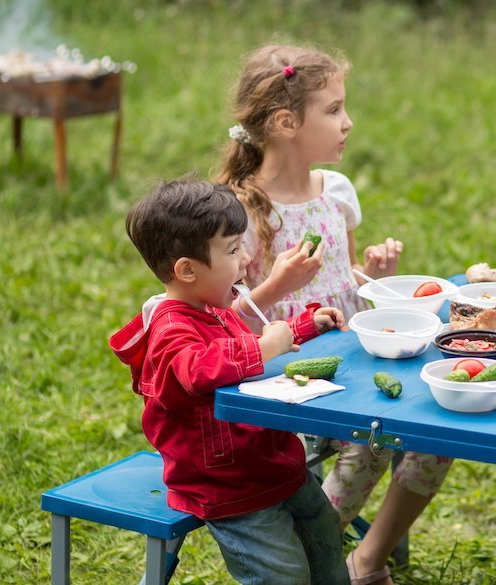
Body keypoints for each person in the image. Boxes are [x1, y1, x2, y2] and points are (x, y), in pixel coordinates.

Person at [214, 44, 452, 585]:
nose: (348, 122)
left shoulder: (335, 193)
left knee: (436, 434)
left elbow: (342, 285)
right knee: (374, 441)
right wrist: (278, 285)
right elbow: (223, 322)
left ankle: (366, 558)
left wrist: (372, 276)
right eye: (334, 109)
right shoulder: (241, 212)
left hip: (350, 365)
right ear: (285, 122)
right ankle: (311, 546)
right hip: (285, 380)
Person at [109, 180, 348, 584]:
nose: (247, 258)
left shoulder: (212, 307)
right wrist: (262, 350)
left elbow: (248, 346)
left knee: (325, 539)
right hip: (229, 485)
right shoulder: (171, 327)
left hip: (274, 463)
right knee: (283, 575)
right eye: (234, 250)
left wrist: (303, 326)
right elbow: (195, 369)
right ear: (186, 269)